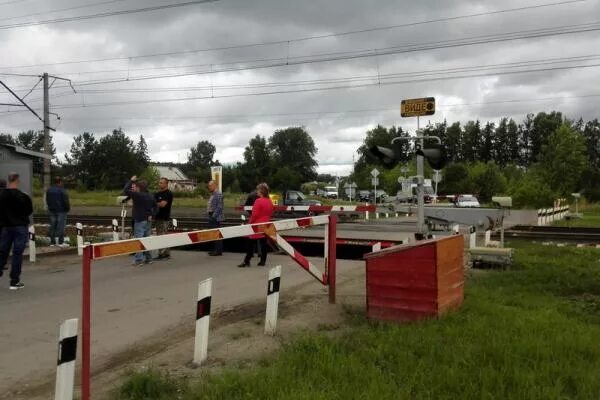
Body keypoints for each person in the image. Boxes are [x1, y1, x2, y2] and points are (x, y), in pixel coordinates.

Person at [0, 173, 33, 290]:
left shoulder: (2, 195)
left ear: (8, 181)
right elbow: (29, 211)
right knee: (17, 254)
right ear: (17, 180)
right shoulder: (24, 196)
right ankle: (14, 281)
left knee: (2, 252)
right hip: (20, 227)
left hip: (5, 227)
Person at [238, 183, 274, 267]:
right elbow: (271, 212)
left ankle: (247, 261)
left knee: (250, 244)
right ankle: (262, 261)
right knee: (263, 243)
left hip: (256, 226)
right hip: (265, 225)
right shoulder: (269, 201)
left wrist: (249, 223)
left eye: (258, 190)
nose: (256, 191)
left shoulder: (258, 201)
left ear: (261, 191)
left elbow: (254, 215)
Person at [123, 176, 156, 266]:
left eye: (136, 187)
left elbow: (125, 190)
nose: (134, 188)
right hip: (148, 220)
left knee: (139, 240)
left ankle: (138, 260)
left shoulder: (138, 195)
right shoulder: (150, 195)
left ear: (139, 188)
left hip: (139, 220)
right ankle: (149, 258)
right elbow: (156, 207)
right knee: (146, 240)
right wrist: (152, 215)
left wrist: (131, 180)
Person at [45, 176, 71, 247]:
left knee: (52, 226)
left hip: (52, 210)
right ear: (60, 182)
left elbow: (47, 200)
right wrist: (67, 209)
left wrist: (50, 208)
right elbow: (66, 201)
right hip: (61, 211)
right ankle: (60, 242)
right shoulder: (62, 190)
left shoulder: (49, 190)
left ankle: (52, 242)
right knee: (61, 227)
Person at [154, 177, 173, 260]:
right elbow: (155, 203)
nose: (160, 184)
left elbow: (163, 205)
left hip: (164, 217)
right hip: (157, 217)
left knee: (163, 235)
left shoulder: (168, 193)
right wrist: (157, 203)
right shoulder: (157, 194)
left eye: (162, 183)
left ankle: (163, 254)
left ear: (166, 184)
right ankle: (164, 253)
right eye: (159, 182)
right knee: (159, 235)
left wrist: (155, 203)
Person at [207, 180, 223, 256]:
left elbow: (219, 207)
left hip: (215, 217)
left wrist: (213, 216)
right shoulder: (213, 194)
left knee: (216, 233)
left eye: (210, 186)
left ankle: (218, 250)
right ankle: (215, 250)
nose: (209, 187)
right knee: (213, 233)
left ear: (215, 185)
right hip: (212, 215)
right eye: (209, 186)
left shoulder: (218, 194)